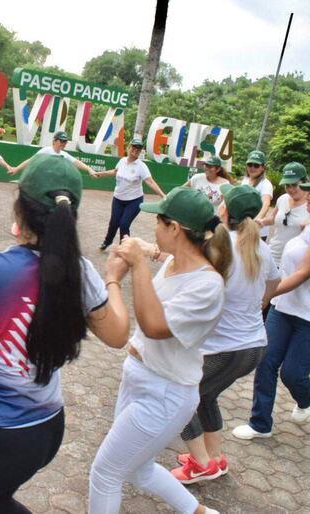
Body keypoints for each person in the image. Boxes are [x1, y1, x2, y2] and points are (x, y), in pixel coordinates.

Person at [0, 155, 130, 513]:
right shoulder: (82, 272)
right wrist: (114, 277)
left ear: (19, 211)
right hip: (47, 428)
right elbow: (118, 335)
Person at [88, 187, 231, 514]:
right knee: (139, 468)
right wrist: (147, 251)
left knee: (106, 472)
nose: (153, 227)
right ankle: (200, 512)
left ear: (175, 229)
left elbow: (153, 324)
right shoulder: (176, 261)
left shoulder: (207, 285)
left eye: (159, 222)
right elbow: (165, 255)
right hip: (140, 377)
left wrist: (127, 271)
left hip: (164, 393)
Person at [170, 184, 280, 484]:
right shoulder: (262, 248)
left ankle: (200, 463)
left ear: (225, 210)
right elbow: (273, 285)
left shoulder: (219, 247)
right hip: (254, 346)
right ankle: (216, 459)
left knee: (178, 396)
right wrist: (258, 306)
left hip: (225, 349)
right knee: (206, 396)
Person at [233, 171, 310, 440]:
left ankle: (307, 395)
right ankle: (260, 424)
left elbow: (301, 275)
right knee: (265, 362)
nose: (307, 195)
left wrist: (262, 295)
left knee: (293, 373)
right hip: (284, 309)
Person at [92, 138, 167, 250]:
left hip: (134, 201)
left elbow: (150, 182)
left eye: (139, 148)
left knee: (124, 224)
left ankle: (125, 249)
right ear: (129, 147)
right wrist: (100, 174)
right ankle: (107, 242)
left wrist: (164, 196)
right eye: (134, 147)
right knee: (113, 223)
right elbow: (115, 171)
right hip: (118, 199)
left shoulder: (141, 166)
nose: (136, 150)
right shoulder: (122, 161)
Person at [260, 162, 310, 265]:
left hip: (294, 262)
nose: (291, 189)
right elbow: (272, 219)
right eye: (287, 185)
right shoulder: (283, 199)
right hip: (272, 256)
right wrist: (259, 222)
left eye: (294, 185)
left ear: (304, 182)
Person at [8, 131, 96, 175]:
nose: (64, 143)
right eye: (61, 141)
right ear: (54, 141)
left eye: (65, 142)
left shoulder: (64, 155)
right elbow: (31, 161)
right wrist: (16, 169)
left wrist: (89, 169)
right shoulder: (45, 151)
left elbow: (77, 163)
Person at [240, 150, 273, 240]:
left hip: (257, 231)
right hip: (243, 225)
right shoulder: (245, 180)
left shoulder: (265, 184)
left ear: (263, 167)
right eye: (250, 164)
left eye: (256, 165)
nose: (252, 168)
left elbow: (266, 204)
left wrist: (255, 221)